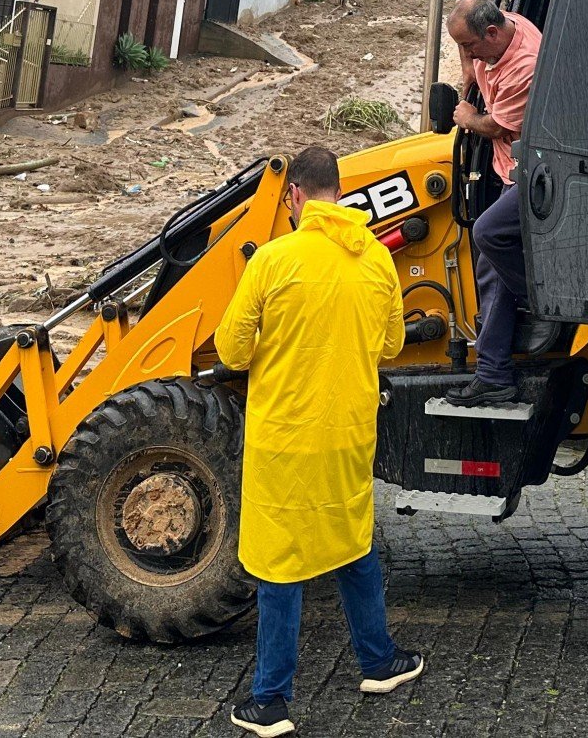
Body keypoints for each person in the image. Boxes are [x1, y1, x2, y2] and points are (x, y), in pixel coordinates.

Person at [215, 144, 424, 737]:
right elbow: (391, 347)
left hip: (285, 437)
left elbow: (231, 350)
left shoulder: (274, 261)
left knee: (280, 563)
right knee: (352, 543)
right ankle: (379, 663)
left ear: (295, 196)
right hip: (349, 433)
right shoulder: (378, 262)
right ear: (340, 191)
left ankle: (271, 699)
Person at [445, 0, 546, 405]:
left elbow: (496, 125)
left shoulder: (525, 65)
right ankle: (493, 373)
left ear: (491, 32)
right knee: (491, 276)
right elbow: (466, 42)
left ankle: (540, 302)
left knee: (488, 233)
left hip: (534, 172)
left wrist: (467, 116)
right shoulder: (500, 27)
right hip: (508, 168)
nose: (467, 53)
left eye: (470, 46)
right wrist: (469, 66)